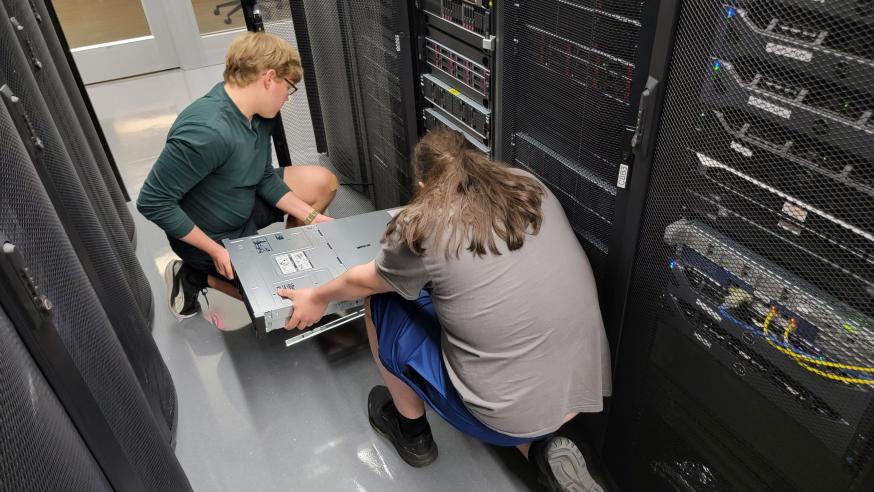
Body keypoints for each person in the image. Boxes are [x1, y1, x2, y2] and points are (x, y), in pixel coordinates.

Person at [278, 128, 611, 491]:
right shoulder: (529, 185)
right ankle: (545, 453)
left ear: (423, 186)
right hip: (580, 389)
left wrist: (316, 297)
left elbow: (364, 280)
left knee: (383, 298)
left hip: (503, 413)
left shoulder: (427, 224)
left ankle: (412, 433)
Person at [137, 32, 337, 318]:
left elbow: (264, 176)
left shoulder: (258, 115)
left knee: (322, 183)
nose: (287, 99)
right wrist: (215, 251)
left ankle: (287, 265)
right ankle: (194, 276)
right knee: (291, 309)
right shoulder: (206, 131)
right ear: (269, 78)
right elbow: (152, 201)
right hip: (211, 236)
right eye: (289, 88)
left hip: (241, 203)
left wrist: (311, 217)